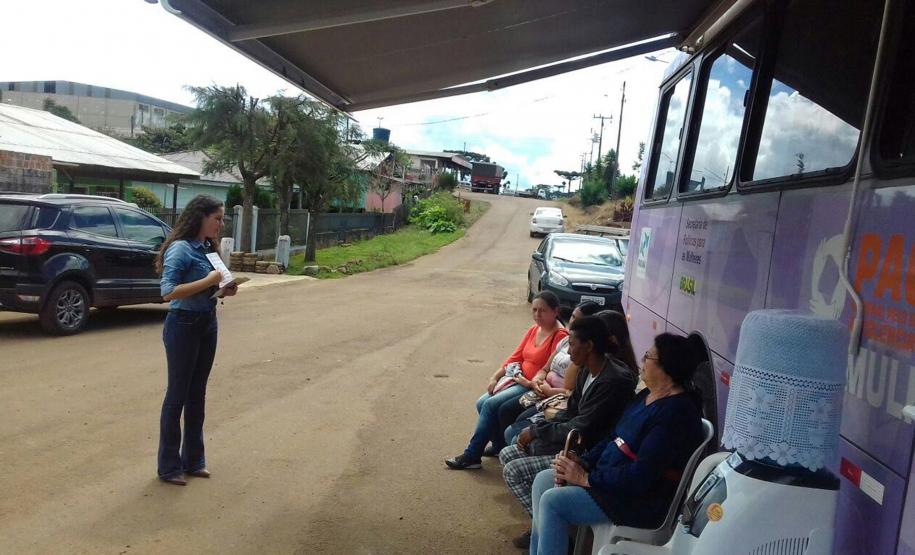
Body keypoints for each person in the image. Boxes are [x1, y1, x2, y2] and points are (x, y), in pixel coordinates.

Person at [528, 333, 704, 555]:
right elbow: (613, 437)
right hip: (612, 480)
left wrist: (586, 478)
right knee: (542, 481)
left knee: (553, 502)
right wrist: (582, 462)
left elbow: (641, 477)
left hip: (638, 499)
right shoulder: (647, 396)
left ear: (665, 367)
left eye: (648, 356)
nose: (643, 360)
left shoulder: (675, 415)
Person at [500, 312, 638, 547]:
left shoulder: (613, 380)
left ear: (589, 346)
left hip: (585, 453)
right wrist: (539, 427)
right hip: (572, 442)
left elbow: (581, 427)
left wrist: (536, 432)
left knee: (514, 471)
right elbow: (570, 413)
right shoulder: (587, 368)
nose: (569, 350)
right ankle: (548, 527)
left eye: (572, 344)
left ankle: (554, 529)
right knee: (508, 452)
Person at [155, 195, 237, 486]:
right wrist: (208, 280)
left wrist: (223, 288)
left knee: (197, 394)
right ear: (200, 217)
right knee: (177, 395)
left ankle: (194, 460)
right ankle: (168, 466)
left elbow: (208, 285)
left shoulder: (206, 248)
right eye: (217, 218)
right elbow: (168, 291)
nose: (220, 224)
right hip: (183, 325)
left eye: (222, 218)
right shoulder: (180, 249)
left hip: (206, 322)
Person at [446, 291, 568, 470]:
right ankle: (498, 446)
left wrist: (528, 382)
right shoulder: (534, 330)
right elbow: (515, 356)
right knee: (482, 402)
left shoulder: (560, 336)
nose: (537, 315)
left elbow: (550, 369)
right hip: (518, 379)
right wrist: (495, 377)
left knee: (490, 405)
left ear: (555, 311)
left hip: (533, 386)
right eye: (534, 310)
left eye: (542, 310)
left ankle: (472, 454)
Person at [500, 301, 602, 447]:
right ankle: (493, 448)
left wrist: (549, 390)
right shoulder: (565, 340)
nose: (573, 322)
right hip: (541, 390)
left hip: (555, 399)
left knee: (510, 424)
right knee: (501, 409)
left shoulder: (584, 357)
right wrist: (538, 380)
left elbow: (570, 390)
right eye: (572, 317)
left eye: (578, 320)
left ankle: (498, 451)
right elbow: (544, 368)